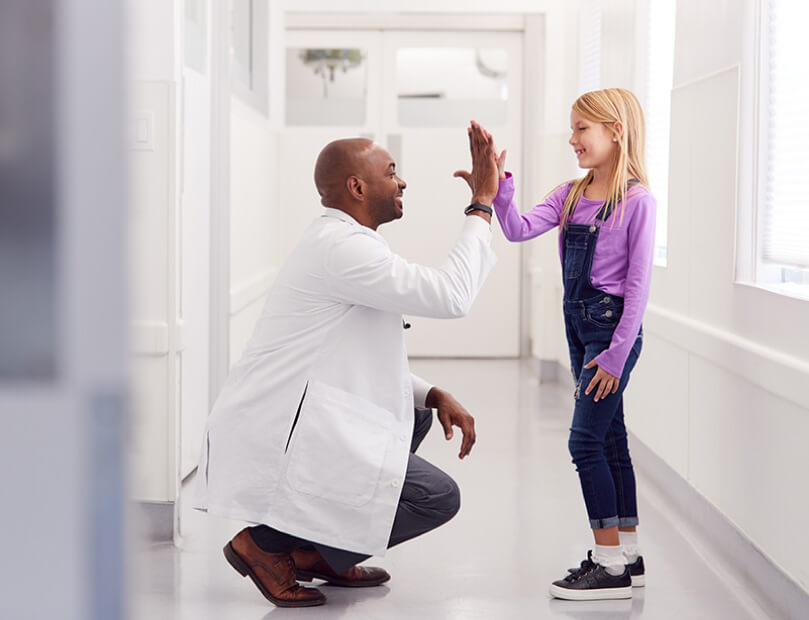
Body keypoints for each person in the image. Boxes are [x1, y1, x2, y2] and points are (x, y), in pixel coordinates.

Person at [194, 123, 501, 608]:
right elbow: (451, 294)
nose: (402, 182)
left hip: (305, 410)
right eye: (392, 172)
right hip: (281, 425)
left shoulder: (349, 243)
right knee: (437, 497)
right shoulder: (343, 249)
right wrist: (482, 202)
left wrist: (432, 394)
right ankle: (265, 543)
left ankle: (314, 551)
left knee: (412, 414)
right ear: (358, 188)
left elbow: (360, 357)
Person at [484, 88, 655, 600]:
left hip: (611, 337)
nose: (573, 138)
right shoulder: (570, 195)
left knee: (584, 443)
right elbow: (516, 230)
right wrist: (498, 188)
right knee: (610, 441)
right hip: (580, 328)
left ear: (615, 131)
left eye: (583, 128)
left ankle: (607, 566)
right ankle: (628, 554)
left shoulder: (637, 201)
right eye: (573, 128)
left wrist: (615, 355)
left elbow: (638, 289)